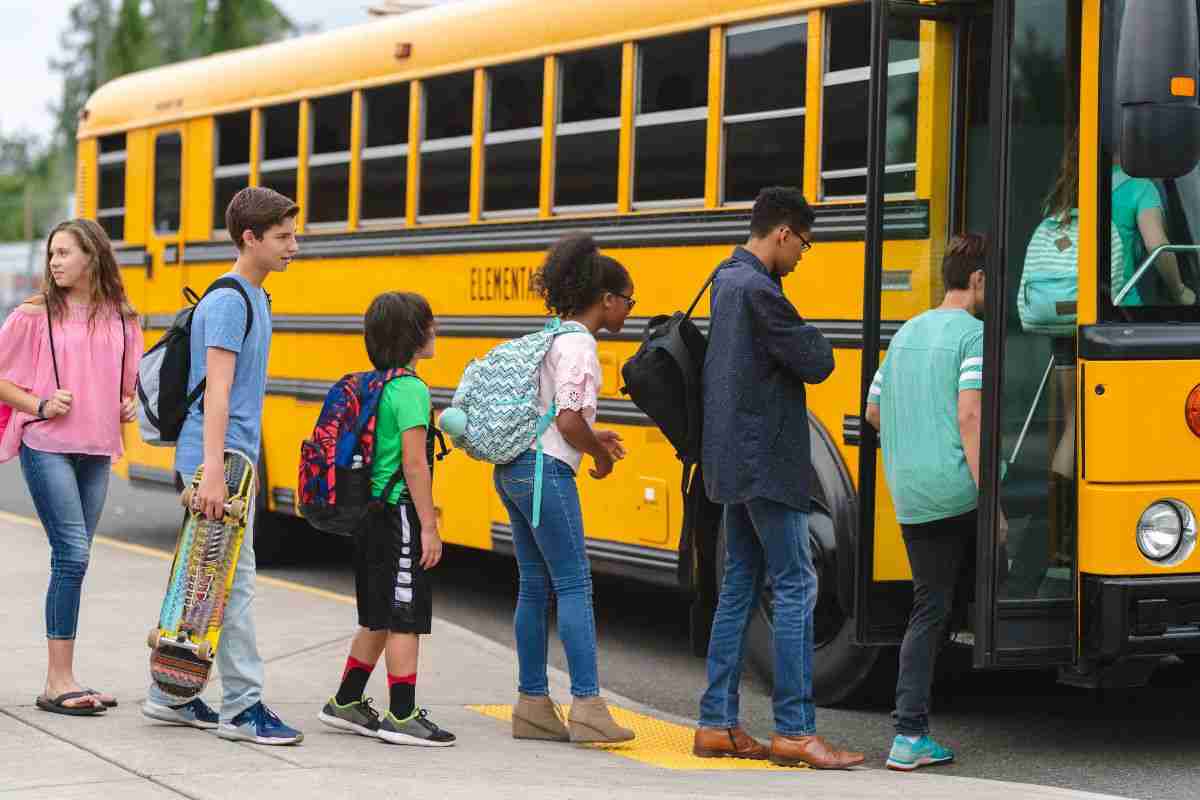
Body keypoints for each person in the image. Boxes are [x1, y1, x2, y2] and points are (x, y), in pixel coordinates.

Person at [695, 186, 861, 769]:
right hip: (767, 464)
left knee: (739, 587)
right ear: (783, 233)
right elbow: (819, 360)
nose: (801, 257)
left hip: (731, 463)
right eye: (804, 246)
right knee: (796, 586)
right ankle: (794, 729)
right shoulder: (759, 292)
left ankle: (717, 722)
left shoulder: (725, 281)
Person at [141, 186, 303, 745]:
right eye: (283, 237)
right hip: (219, 462)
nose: (294, 246)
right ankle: (242, 706)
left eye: (294, 234)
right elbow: (217, 391)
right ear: (249, 238)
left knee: (202, 582)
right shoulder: (231, 301)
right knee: (234, 585)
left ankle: (170, 696)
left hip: (231, 458)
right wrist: (213, 470)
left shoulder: (257, 297)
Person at [492, 233, 635, 744]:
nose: (629, 311)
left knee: (534, 586)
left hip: (515, 469)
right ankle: (589, 706)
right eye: (628, 301)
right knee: (575, 585)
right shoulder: (580, 347)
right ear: (606, 300)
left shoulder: (552, 336)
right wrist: (596, 452)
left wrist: (595, 438)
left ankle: (532, 703)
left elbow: (558, 416)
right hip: (546, 473)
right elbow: (571, 419)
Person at [864, 233, 998, 770]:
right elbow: (970, 417)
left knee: (933, 602)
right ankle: (909, 732)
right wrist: (994, 502)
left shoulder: (907, 333)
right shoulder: (973, 336)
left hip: (910, 488)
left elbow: (874, 412)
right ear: (979, 279)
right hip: (954, 488)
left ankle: (914, 724)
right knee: (937, 607)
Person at [0, 219, 142, 715]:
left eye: (64, 253)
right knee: (73, 554)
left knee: (74, 562)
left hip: (97, 449)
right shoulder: (31, 316)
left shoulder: (123, 317)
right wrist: (38, 404)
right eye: (52, 254)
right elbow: (1, 379)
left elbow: (128, 386)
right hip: (47, 445)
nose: (55, 262)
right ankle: (56, 681)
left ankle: (66, 676)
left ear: (92, 256)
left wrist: (127, 404)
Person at [318, 291, 456, 747]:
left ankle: (347, 701)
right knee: (405, 614)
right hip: (398, 514)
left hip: (369, 513)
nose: (435, 333)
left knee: (377, 614)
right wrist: (429, 527)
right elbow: (415, 464)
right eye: (430, 325)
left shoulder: (373, 384)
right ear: (414, 336)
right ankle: (402, 714)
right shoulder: (411, 389)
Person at [1111, 160, 1196, 307]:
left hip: (1066, 300)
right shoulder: (1139, 186)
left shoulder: (1073, 185)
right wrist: (1178, 291)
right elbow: (1156, 246)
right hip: (1120, 305)